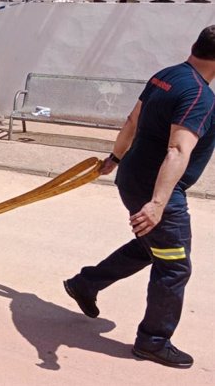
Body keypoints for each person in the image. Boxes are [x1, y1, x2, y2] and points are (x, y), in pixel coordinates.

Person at [64, 25, 215, 369]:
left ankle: (85, 283)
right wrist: (159, 203)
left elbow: (132, 120)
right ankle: (153, 340)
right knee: (174, 265)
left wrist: (116, 158)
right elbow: (177, 150)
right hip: (157, 190)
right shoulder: (199, 97)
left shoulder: (167, 75)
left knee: (151, 247)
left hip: (132, 176)